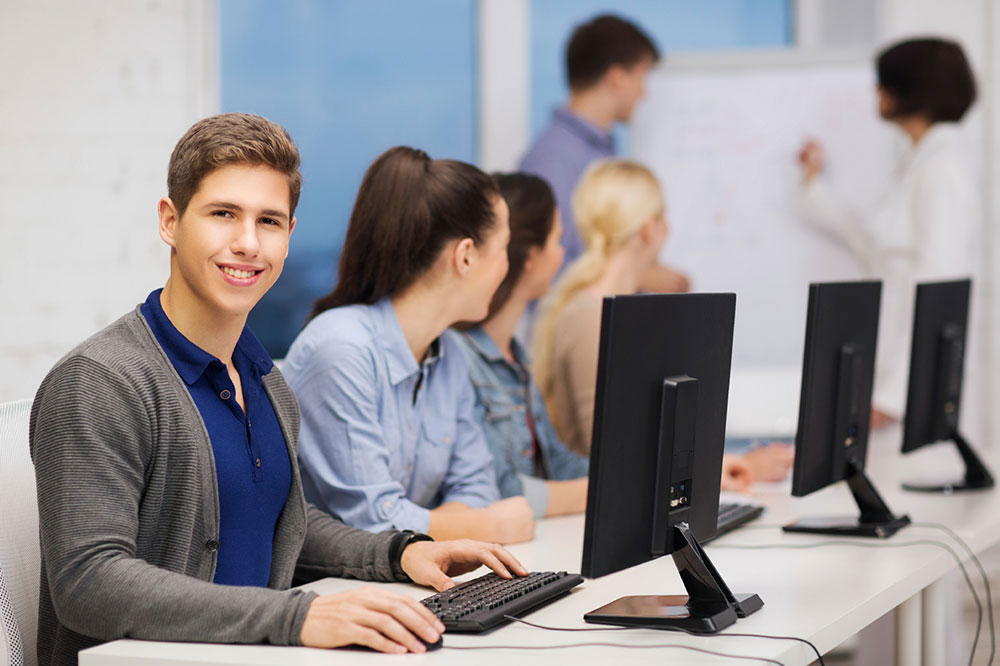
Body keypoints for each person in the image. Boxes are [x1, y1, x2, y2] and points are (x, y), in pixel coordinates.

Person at [29, 114, 528, 665]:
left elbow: (282, 522)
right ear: (170, 221)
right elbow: (90, 583)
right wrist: (298, 618)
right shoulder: (100, 381)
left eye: (269, 221)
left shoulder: (265, 381)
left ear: (289, 236)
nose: (247, 242)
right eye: (223, 214)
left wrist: (400, 553)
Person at [284, 147, 536, 544]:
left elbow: (477, 487)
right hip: (330, 591)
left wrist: (439, 525)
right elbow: (373, 521)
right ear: (466, 257)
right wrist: (482, 527)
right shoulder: (340, 350)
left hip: (406, 581)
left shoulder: (449, 352)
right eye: (504, 248)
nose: (507, 267)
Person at [532, 159, 793, 491]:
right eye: (663, 217)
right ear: (648, 228)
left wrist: (719, 464)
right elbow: (609, 453)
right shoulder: (590, 314)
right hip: (596, 511)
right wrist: (716, 471)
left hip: (632, 497)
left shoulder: (619, 306)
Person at [798, 38, 978, 428]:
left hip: (904, 395)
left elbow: (937, 286)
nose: (875, 93)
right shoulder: (916, 163)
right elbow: (871, 244)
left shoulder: (941, 169)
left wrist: (893, 397)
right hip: (886, 378)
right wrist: (815, 186)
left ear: (909, 89)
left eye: (882, 84)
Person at [519, 14, 688, 294]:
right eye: (641, 77)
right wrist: (641, 277)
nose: (644, 93)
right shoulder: (552, 160)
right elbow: (544, 271)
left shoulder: (600, 152)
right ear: (616, 78)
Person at [452, 173, 589, 518]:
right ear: (530, 255)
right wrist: (609, 492)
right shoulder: (458, 358)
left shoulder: (516, 355)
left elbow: (559, 464)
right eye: (557, 240)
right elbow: (501, 491)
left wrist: (647, 481)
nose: (562, 255)